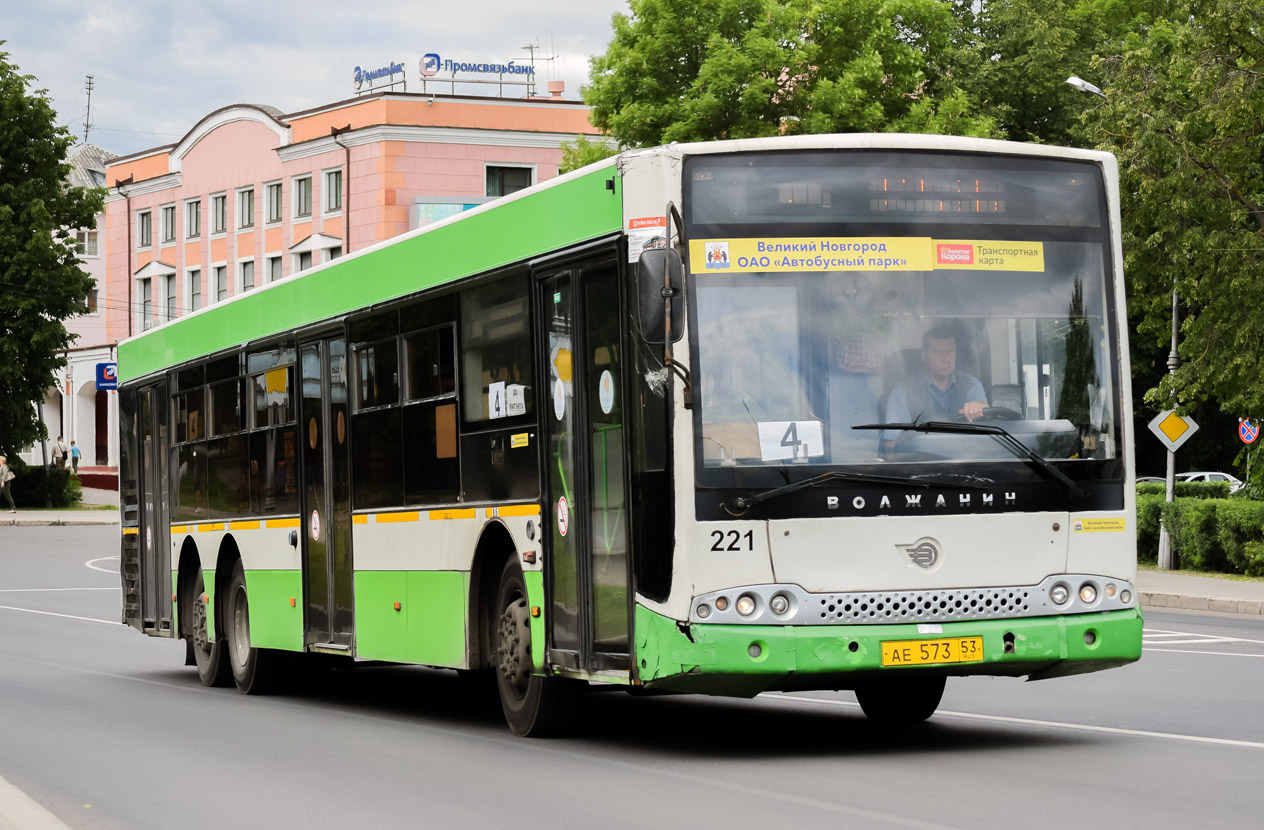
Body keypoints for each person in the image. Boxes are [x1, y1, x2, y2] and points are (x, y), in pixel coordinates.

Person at [883, 326, 988, 448]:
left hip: (968, 460)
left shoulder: (970, 383)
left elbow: (984, 407)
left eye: (950, 351)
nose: (946, 359)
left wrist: (979, 406)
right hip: (925, 462)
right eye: (938, 352)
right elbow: (892, 445)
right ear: (924, 357)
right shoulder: (903, 391)